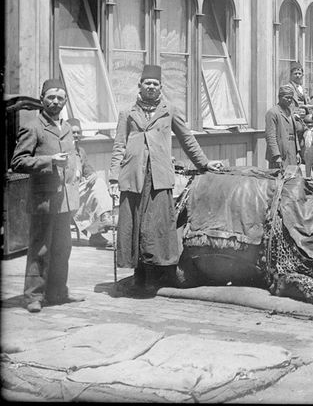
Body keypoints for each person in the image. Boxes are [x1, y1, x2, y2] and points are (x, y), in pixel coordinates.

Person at [108, 64, 223, 295]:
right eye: (147, 83)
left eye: (155, 84)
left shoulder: (169, 110)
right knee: (134, 225)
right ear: (139, 86)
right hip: (133, 176)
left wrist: (204, 163)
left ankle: (154, 277)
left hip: (159, 177)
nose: (151, 87)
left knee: (156, 228)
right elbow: (119, 145)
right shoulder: (127, 113)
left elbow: (187, 138)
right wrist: (113, 177)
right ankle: (137, 277)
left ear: (161, 87)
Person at [11, 79, 84, 313]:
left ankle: (57, 292)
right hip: (44, 199)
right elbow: (18, 162)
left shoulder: (66, 127)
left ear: (65, 101)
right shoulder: (32, 126)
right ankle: (33, 295)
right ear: (42, 98)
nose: (55, 101)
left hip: (66, 200)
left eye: (60, 98)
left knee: (63, 248)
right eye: (51, 97)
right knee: (40, 248)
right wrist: (49, 161)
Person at [69, 118, 116, 248]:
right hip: (65, 192)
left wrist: (93, 176)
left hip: (79, 191)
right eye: (73, 132)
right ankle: (103, 220)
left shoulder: (80, 151)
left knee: (98, 185)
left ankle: (102, 222)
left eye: (78, 133)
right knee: (96, 191)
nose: (76, 135)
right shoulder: (62, 150)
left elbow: (89, 171)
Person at [265, 85, 306, 169]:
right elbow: (270, 137)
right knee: (279, 178)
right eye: (286, 97)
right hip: (280, 151)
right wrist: (276, 156)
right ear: (279, 97)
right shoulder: (272, 113)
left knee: (292, 177)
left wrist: (297, 152)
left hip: (292, 151)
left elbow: (295, 134)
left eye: (291, 98)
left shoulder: (289, 112)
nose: (289, 100)